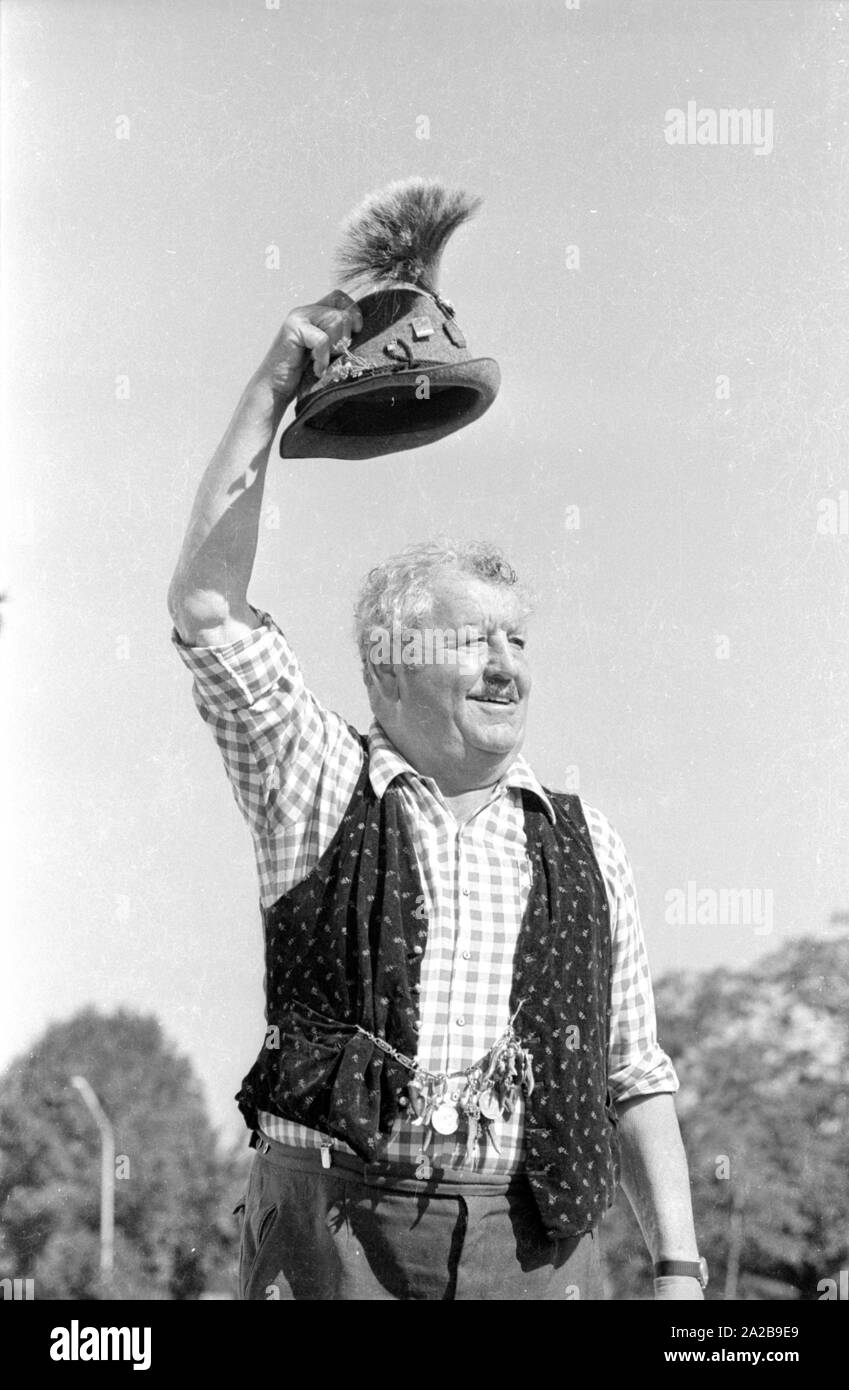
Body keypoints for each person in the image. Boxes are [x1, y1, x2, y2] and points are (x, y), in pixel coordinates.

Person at [168, 290, 706, 1302]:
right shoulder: (314, 781)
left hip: (541, 1249)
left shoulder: (588, 845)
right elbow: (207, 603)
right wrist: (275, 384)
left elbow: (635, 1074)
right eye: (472, 641)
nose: (507, 668)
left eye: (518, 641)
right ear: (387, 666)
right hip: (334, 1238)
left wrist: (680, 1266)